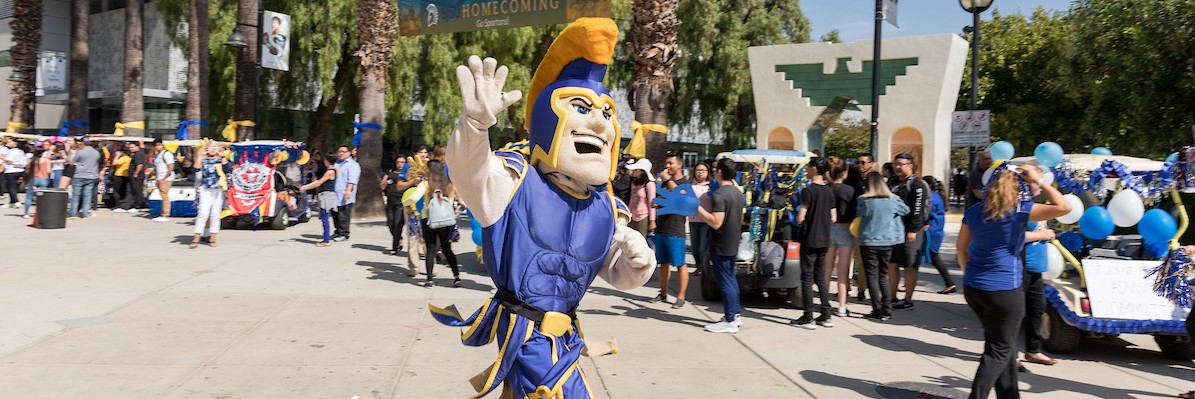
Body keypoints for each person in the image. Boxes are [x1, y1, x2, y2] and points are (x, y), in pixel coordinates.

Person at [956, 163, 1070, 399]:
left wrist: (971, 273)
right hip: (1004, 290)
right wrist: (1041, 181)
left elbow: (961, 248)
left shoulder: (975, 211)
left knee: (1002, 344)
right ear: (1019, 186)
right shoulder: (1019, 211)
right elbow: (1064, 206)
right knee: (999, 350)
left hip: (974, 287)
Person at [697, 157, 745, 334]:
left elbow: (716, 223)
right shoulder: (738, 192)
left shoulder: (719, 195)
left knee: (725, 281)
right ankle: (734, 315)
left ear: (719, 172)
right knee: (730, 279)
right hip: (732, 241)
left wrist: (698, 208)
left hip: (721, 242)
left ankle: (730, 320)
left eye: (715, 169)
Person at [856, 172, 908, 320]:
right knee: (883, 275)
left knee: (871, 276)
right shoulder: (892, 199)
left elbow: (859, 214)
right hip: (887, 241)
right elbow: (906, 210)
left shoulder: (863, 200)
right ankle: (887, 309)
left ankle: (877, 309)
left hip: (868, 240)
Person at [793, 157, 837, 329]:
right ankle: (826, 314)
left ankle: (808, 315)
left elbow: (800, 217)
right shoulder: (829, 191)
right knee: (820, 276)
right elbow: (834, 217)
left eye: (808, 167)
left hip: (810, 237)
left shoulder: (808, 191)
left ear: (813, 169)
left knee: (806, 277)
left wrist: (801, 220)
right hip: (824, 239)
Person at [888, 153, 931, 311]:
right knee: (891, 264)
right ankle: (892, 297)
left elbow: (918, 209)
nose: (898, 167)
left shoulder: (917, 184)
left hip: (910, 230)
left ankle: (908, 299)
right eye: (896, 164)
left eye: (902, 164)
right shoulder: (891, 182)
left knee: (909, 265)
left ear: (911, 165)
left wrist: (913, 230)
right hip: (893, 230)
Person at [649, 153, 691, 308]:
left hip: (676, 229)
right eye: (666, 163)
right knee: (663, 263)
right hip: (662, 228)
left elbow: (682, 196)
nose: (667, 166)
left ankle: (680, 297)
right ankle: (663, 293)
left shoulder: (684, 183)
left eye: (670, 163)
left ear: (679, 164)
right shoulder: (665, 184)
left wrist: (668, 179)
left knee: (680, 263)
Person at [1020, 221, 1058, 371]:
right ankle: (1011, 355)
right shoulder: (1021, 207)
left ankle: (1033, 350)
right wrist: (1042, 235)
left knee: (1037, 309)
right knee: (1016, 313)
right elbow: (1014, 236)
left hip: (1036, 268)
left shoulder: (1038, 208)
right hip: (1022, 267)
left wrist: (1048, 234)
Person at [420, 159, 461, 288]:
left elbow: (412, 197)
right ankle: (456, 277)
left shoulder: (426, 184)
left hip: (429, 220)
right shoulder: (449, 184)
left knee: (431, 249)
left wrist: (407, 203)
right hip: (446, 221)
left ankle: (429, 280)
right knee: (447, 249)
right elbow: (458, 199)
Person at [826, 161, 857, 316]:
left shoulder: (826, 189)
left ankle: (824, 302)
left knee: (826, 269)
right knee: (843, 270)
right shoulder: (850, 190)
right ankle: (842, 306)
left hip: (828, 228)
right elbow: (854, 211)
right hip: (845, 228)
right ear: (844, 173)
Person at [918, 176, 956, 294]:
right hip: (935, 231)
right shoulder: (936, 196)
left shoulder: (930, 198)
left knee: (930, 256)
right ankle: (949, 283)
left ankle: (949, 282)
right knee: (930, 256)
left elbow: (925, 214)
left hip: (930, 231)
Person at [190, 141, 230, 249]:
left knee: (215, 215)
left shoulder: (221, 159)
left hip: (218, 189)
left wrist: (223, 157)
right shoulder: (203, 159)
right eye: (210, 147)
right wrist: (201, 154)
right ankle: (196, 237)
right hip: (205, 189)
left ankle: (212, 237)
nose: (213, 149)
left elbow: (228, 170)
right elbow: (196, 169)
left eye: (215, 147)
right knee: (203, 213)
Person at [300, 152, 339, 247]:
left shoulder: (330, 171)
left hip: (326, 195)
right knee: (325, 217)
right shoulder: (335, 169)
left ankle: (326, 241)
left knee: (325, 218)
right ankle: (326, 239)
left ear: (328, 161)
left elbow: (318, 183)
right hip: (328, 195)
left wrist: (305, 187)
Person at [852, 153, 876, 301]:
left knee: (870, 260)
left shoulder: (876, 181)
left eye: (863, 162)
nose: (860, 165)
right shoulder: (853, 180)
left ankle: (868, 288)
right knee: (859, 258)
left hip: (873, 224)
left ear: (871, 164)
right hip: (857, 222)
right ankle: (861, 288)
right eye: (858, 162)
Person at [382, 156, 413, 254]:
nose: (400, 164)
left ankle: (395, 247)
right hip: (390, 201)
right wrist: (384, 183)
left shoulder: (408, 174)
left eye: (403, 162)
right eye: (398, 162)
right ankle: (398, 238)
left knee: (397, 224)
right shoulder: (390, 172)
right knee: (390, 224)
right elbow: (382, 185)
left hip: (401, 201)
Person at [688, 161, 714, 275]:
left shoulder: (711, 186)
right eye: (698, 170)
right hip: (693, 220)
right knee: (694, 247)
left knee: (703, 247)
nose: (700, 173)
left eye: (702, 171)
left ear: (707, 172)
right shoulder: (690, 185)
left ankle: (703, 269)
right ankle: (698, 267)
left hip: (706, 221)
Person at [331, 145, 360, 242]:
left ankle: (344, 233)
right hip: (335, 194)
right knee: (335, 214)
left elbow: (352, 179)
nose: (341, 153)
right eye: (339, 151)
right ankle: (338, 231)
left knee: (344, 215)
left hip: (345, 194)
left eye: (343, 151)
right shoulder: (337, 164)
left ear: (349, 153)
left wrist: (348, 190)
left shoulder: (353, 165)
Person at [68, 140, 102, 219]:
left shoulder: (80, 152)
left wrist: (72, 154)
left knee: (76, 195)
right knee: (87, 195)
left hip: (80, 175)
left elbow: (72, 162)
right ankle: (85, 213)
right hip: (92, 175)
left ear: (83, 144)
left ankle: (73, 212)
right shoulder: (96, 153)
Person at [625, 158, 655, 238]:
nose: (633, 171)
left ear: (642, 171)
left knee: (640, 241)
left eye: (636, 169)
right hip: (632, 216)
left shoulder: (649, 184)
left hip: (643, 217)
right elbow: (631, 199)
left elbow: (652, 203)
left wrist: (652, 221)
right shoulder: (634, 182)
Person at [151, 139, 177, 222]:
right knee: (162, 195)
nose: (158, 147)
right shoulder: (157, 155)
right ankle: (162, 213)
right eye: (156, 145)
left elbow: (171, 167)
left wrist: (165, 177)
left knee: (164, 195)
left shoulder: (167, 154)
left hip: (165, 178)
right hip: (159, 177)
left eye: (159, 145)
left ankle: (165, 214)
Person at [21, 149, 51, 218]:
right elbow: (49, 171)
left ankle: (26, 213)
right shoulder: (46, 160)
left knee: (29, 196)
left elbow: (27, 170)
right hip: (43, 178)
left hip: (33, 178)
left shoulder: (31, 160)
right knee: (41, 197)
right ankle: (40, 213)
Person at [124, 141, 148, 212]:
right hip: (134, 175)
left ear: (137, 147)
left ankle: (138, 206)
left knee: (137, 191)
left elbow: (139, 165)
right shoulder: (137, 153)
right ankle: (132, 204)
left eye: (132, 147)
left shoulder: (138, 154)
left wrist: (135, 174)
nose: (130, 149)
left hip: (137, 176)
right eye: (130, 147)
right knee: (133, 190)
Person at [2, 139, 26, 207]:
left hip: (11, 170)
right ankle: (12, 201)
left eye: (10, 142)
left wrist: (2, 158)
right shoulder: (21, 151)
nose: (8, 143)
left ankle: (16, 201)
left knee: (11, 187)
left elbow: (9, 160)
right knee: (13, 186)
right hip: (19, 170)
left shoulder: (12, 151)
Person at [109, 146, 132, 212]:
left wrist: (117, 156)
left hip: (119, 175)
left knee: (116, 191)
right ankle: (122, 203)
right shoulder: (129, 158)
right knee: (123, 191)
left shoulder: (123, 158)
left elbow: (114, 163)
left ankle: (117, 204)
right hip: (126, 175)